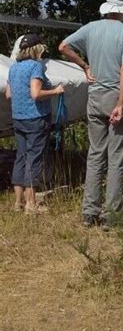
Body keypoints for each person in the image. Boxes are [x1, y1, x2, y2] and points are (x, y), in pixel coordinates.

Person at [58, 0, 123, 227]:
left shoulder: (91, 28)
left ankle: (89, 211)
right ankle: (111, 213)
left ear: (106, 9)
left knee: (95, 153)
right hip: (117, 94)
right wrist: (122, 103)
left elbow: (63, 46)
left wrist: (84, 65)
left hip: (95, 95)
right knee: (116, 156)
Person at [5, 33, 64, 214]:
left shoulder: (14, 68)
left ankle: (18, 202)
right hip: (36, 118)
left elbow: (9, 94)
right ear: (37, 48)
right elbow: (36, 94)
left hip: (18, 117)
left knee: (21, 157)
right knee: (34, 158)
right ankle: (31, 204)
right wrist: (56, 91)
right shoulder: (36, 67)